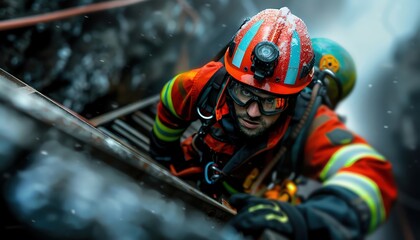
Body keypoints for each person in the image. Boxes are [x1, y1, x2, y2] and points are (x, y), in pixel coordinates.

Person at [148, 7, 397, 240]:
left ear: (292, 98)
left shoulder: (310, 123)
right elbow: (173, 96)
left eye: (271, 102)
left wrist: (304, 220)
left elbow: (373, 178)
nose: (253, 112)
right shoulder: (206, 84)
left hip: (251, 207)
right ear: (230, 79)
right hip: (197, 170)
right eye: (245, 93)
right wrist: (163, 150)